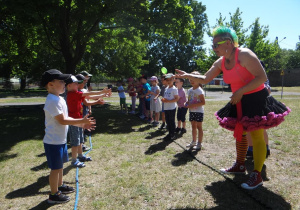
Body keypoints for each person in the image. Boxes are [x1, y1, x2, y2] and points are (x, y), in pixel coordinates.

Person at [175, 26, 291, 190]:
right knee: (240, 133)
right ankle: (240, 165)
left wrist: (241, 91)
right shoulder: (221, 62)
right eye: (213, 44)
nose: (213, 48)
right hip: (239, 99)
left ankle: (256, 174)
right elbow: (205, 78)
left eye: (216, 44)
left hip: (255, 98)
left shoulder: (244, 55)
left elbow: (262, 77)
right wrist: (187, 75)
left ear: (228, 43)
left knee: (256, 135)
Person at [41, 69, 96, 204]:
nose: (64, 84)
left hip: (60, 140)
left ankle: (60, 186)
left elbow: (67, 118)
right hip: (53, 142)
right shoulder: (52, 101)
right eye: (61, 81)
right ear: (50, 84)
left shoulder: (59, 98)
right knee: (55, 169)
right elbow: (62, 120)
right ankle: (54, 194)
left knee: (60, 166)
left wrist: (81, 125)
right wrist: (82, 121)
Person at [66, 75, 111, 168]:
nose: (78, 85)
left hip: (79, 120)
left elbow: (89, 96)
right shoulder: (73, 94)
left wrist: (102, 95)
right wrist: (102, 91)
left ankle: (80, 156)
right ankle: (74, 161)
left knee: (80, 139)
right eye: (75, 84)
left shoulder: (77, 93)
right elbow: (88, 94)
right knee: (75, 142)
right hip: (74, 121)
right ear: (69, 86)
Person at [184, 72, 205, 150]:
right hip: (192, 111)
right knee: (193, 126)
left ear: (199, 80)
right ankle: (193, 141)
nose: (192, 81)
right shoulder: (189, 90)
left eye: (194, 79)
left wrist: (192, 105)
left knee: (199, 127)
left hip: (199, 112)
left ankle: (199, 143)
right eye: (190, 79)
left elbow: (203, 102)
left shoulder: (200, 91)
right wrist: (186, 103)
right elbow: (189, 100)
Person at [161, 73, 179, 141]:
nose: (168, 81)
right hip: (166, 107)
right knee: (168, 121)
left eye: (170, 80)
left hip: (171, 108)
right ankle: (169, 133)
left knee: (171, 121)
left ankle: (172, 134)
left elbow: (176, 99)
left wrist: (168, 101)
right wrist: (163, 99)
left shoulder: (174, 89)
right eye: (167, 80)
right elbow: (165, 97)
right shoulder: (166, 88)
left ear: (173, 80)